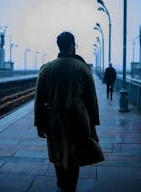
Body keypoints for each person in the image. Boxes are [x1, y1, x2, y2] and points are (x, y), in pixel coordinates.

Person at [34, 31, 104, 192]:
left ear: (59, 46)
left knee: (58, 152)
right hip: (78, 119)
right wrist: (93, 121)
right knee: (75, 154)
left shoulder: (46, 69)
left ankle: (61, 184)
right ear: (72, 46)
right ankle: (71, 187)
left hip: (54, 120)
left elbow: (39, 100)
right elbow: (91, 98)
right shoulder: (82, 67)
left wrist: (39, 123)